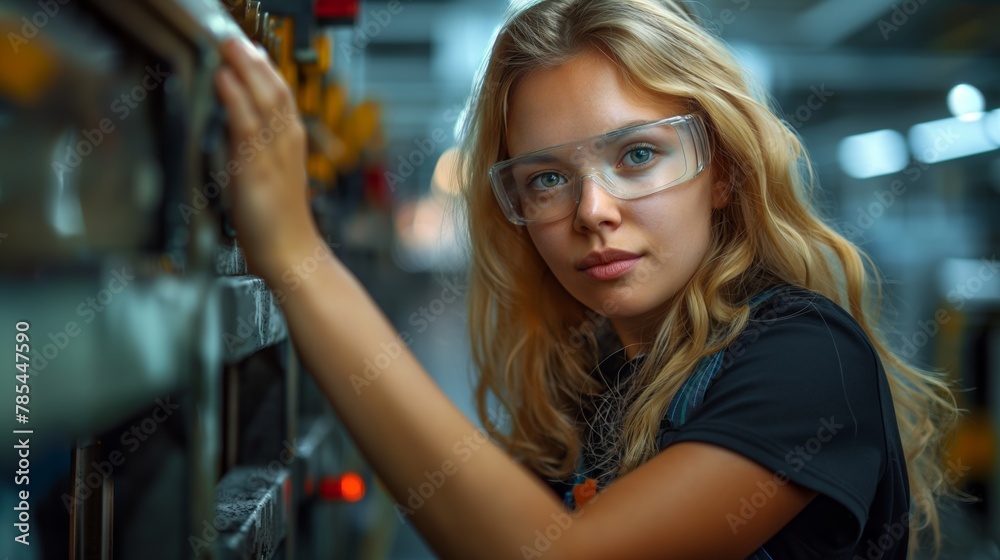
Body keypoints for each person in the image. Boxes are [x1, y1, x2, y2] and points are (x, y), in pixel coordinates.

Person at [212, 0, 960, 557]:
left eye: (637, 155)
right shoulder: (597, 376)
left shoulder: (805, 357)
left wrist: (296, 259)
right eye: (545, 179)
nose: (593, 211)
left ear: (723, 171)